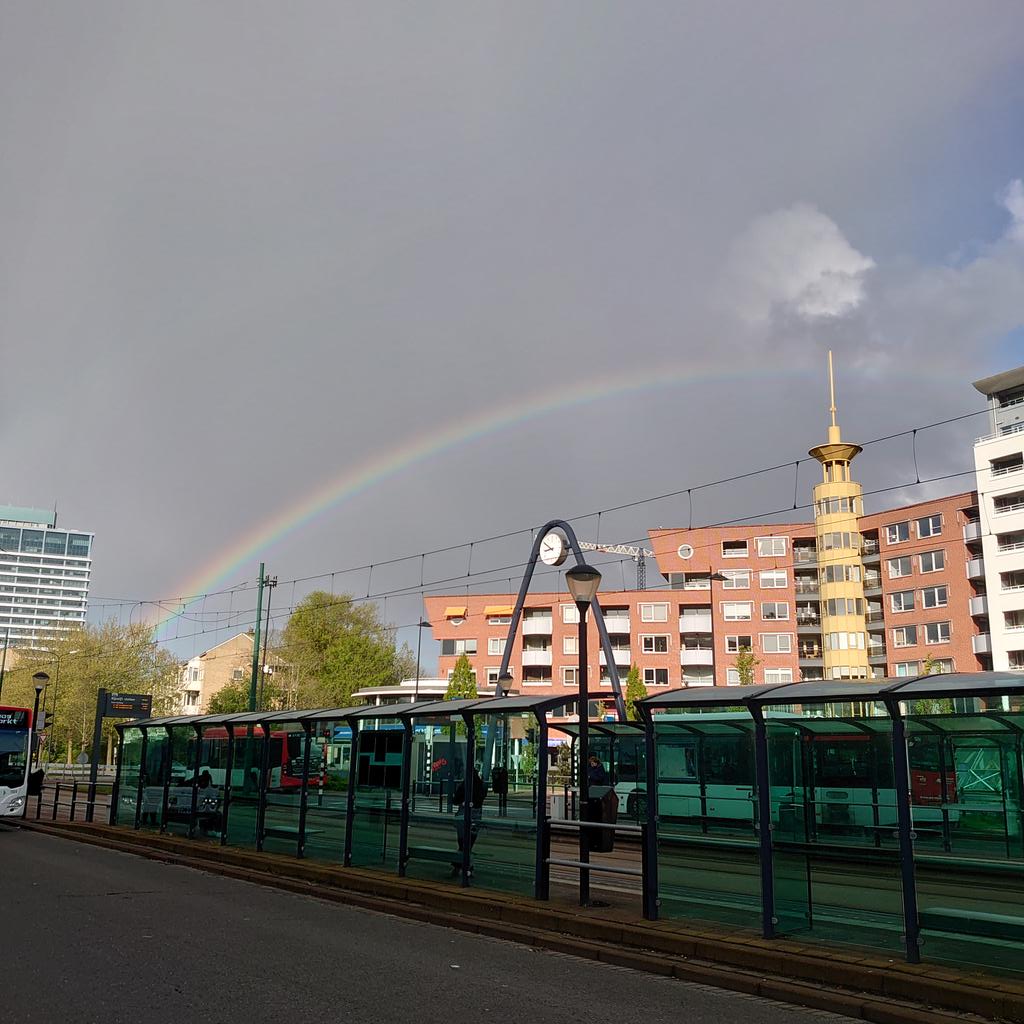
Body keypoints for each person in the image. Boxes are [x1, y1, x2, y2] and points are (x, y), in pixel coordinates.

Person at [451, 766, 487, 877]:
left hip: (463, 816)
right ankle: (465, 867)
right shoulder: (481, 785)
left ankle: (460, 865)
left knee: (462, 843)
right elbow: (481, 798)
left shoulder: (464, 784)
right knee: (468, 844)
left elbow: (455, 799)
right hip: (476, 817)